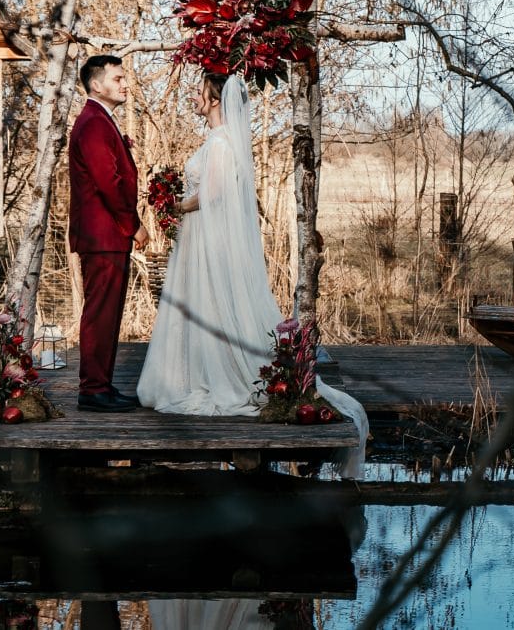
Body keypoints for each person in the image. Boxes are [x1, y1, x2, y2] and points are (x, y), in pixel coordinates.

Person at [136, 73, 367, 478]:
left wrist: (176, 206)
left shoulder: (221, 144)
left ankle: (219, 376)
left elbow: (214, 193)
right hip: (200, 238)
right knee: (203, 304)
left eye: (199, 92)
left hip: (208, 238)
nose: (194, 97)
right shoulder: (218, 141)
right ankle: (197, 371)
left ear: (213, 100)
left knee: (211, 303)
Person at [69, 55, 148, 413]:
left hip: (107, 235)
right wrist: (134, 225)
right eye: (117, 79)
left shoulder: (101, 120)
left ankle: (102, 384)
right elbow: (109, 183)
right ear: (96, 85)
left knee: (108, 314)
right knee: (100, 313)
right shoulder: (93, 124)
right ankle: (92, 390)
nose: (125, 84)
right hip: (102, 235)